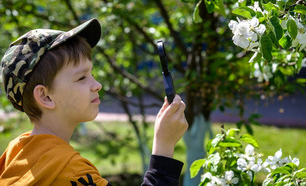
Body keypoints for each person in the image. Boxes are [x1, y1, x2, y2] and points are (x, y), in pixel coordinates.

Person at [0, 18, 188, 185]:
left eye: (92, 74)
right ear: (45, 96)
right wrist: (164, 147)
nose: (97, 85)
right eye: (82, 78)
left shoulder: (14, 155)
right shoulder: (72, 174)